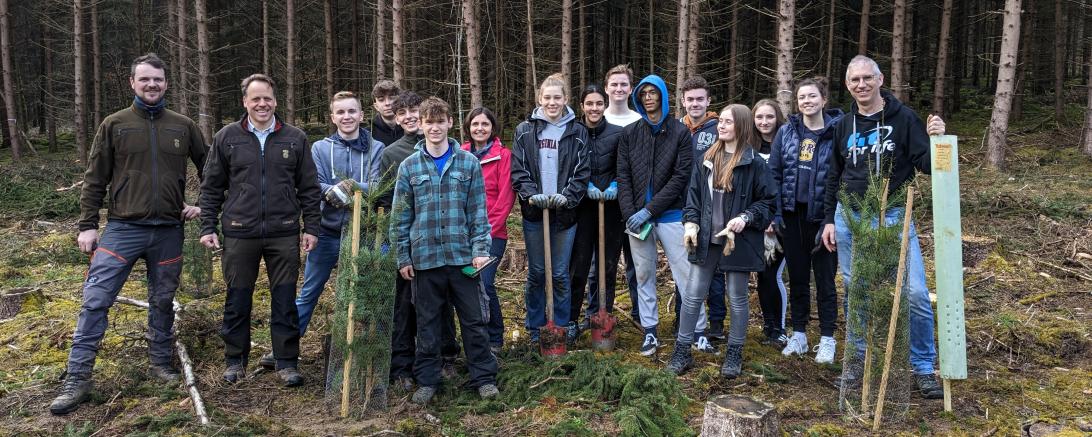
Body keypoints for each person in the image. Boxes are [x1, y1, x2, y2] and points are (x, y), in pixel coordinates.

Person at [50, 54, 207, 415]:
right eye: (145, 79)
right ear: (132, 83)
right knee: (95, 299)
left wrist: (202, 206)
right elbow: (95, 178)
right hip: (122, 229)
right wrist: (88, 225)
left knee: (163, 299)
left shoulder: (182, 126)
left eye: (158, 80)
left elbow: (211, 170)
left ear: (167, 83)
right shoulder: (115, 124)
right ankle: (78, 378)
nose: (152, 85)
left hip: (169, 230)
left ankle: (160, 364)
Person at [821, 55, 947, 399]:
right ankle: (857, 363)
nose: (860, 84)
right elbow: (834, 175)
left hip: (894, 217)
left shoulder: (904, 119)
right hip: (849, 219)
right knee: (857, 292)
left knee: (916, 293)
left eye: (866, 78)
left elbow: (927, 165)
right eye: (854, 80)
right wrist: (828, 220)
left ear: (880, 80)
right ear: (848, 85)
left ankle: (923, 367)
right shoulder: (843, 126)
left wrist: (938, 140)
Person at [199, 74, 321, 387]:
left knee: (284, 299)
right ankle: (234, 361)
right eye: (255, 99)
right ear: (245, 102)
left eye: (267, 98)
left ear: (276, 101)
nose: (262, 104)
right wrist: (208, 225)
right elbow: (212, 186)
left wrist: (312, 227)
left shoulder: (295, 138)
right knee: (238, 298)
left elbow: (308, 187)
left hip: (284, 232)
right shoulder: (227, 137)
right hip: (239, 231)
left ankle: (286, 362)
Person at [391, 96, 499, 404]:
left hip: (462, 258)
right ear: (421, 125)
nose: (435, 127)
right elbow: (401, 216)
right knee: (427, 323)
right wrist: (403, 255)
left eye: (441, 121)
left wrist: (480, 249)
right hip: (425, 260)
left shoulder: (468, 163)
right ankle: (428, 379)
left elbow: (479, 212)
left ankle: (483, 377)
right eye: (429, 122)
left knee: (474, 320)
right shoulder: (409, 167)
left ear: (450, 123)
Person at [668, 104, 775, 378]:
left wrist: (746, 217)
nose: (721, 125)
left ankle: (734, 354)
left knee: (737, 298)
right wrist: (691, 223)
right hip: (706, 238)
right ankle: (682, 352)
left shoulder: (755, 163)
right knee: (692, 295)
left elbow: (768, 202)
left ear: (741, 125)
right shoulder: (707, 157)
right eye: (721, 121)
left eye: (727, 121)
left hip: (736, 241)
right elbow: (693, 196)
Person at [379, 90, 460, 389]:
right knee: (404, 306)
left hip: (442, 245)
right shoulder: (393, 154)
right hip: (410, 246)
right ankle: (402, 365)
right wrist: (398, 245)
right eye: (402, 113)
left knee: (442, 303)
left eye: (414, 110)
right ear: (397, 119)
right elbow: (388, 203)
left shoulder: (446, 147)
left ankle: (446, 357)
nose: (409, 116)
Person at [294, 91, 384, 338]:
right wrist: (334, 190)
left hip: (363, 234)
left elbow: (377, 186)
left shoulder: (376, 148)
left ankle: (362, 345)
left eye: (352, 111)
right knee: (309, 291)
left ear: (362, 115)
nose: (347, 116)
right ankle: (286, 347)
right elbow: (315, 184)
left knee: (364, 293)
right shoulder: (320, 148)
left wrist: (352, 186)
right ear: (333, 117)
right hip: (327, 233)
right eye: (341, 112)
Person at [616, 74, 693, 356]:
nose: (649, 97)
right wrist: (631, 214)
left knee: (685, 274)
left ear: (662, 95)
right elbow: (622, 176)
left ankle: (695, 331)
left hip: (671, 215)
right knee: (644, 275)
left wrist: (650, 209)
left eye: (653, 92)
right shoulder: (630, 133)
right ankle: (650, 331)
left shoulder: (679, 132)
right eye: (644, 93)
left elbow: (680, 177)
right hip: (637, 219)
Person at [511, 73, 590, 345]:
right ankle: (535, 328)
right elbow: (518, 170)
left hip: (564, 215)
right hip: (535, 213)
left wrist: (566, 197)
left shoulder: (577, 131)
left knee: (558, 273)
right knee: (536, 273)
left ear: (565, 99)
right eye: (547, 97)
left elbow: (582, 172)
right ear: (539, 99)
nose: (552, 102)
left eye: (557, 97)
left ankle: (560, 324)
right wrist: (532, 195)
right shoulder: (525, 131)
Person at [768, 78, 843, 364]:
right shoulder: (786, 133)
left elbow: (842, 178)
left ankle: (827, 338)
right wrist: (776, 213)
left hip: (824, 219)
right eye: (802, 97)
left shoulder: (837, 132)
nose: (807, 101)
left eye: (812, 96)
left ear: (824, 99)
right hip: (791, 216)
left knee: (825, 279)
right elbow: (774, 174)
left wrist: (831, 218)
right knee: (797, 278)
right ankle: (798, 334)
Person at [567, 84, 624, 342]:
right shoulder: (573, 132)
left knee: (607, 265)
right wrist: (584, 184)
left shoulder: (617, 133)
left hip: (611, 208)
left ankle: (601, 315)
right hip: (582, 207)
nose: (594, 108)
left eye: (598, 103)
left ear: (605, 105)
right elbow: (567, 165)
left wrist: (616, 185)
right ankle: (570, 320)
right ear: (582, 106)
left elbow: (625, 166)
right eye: (589, 104)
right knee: (578, 266)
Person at [460, 107, 515, 353]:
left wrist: (485, 230)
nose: (480, 128)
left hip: (492, 234)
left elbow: (505, 199)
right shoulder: (458, 154)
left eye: (485, 124)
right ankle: (473, 338)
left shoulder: (504, 156)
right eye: (475, 124)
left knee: (485, 282)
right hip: (461, 233)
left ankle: (495, 338)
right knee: (463, 287)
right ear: (468, 128)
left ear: (493, 128)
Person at [674, 76, 720, 353]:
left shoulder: (718, 128)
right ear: (683, 101)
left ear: (708, 101)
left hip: (711, 206)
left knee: (712, 267)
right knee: (684, 265)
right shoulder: (678, 128)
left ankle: (715, 322)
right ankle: (684, 319)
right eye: (690, 99)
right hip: (680, 206)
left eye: (700, 99)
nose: (695, 104)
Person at [598, 65, 642, 325]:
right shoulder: (598, 117)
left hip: (634, 203)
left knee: (636, 262)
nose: (619, 89)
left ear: (631, 88)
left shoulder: (638, 121)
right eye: (614, 84)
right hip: (605, 203)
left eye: (623, 84)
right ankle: (604, 314)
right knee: (606, 262)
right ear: (606, 88)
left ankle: (639, 314)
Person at [751, 99, 790, 347]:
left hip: (779, 222)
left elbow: (786, 185)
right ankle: (768, 325)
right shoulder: (748, 147)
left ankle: (780, 328)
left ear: (778, 118)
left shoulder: (787, 144)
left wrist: (775, 218)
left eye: (769, 117)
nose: (764, 122)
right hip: (756, 221)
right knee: (761, 276)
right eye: (759, 117)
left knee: (773, 275)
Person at [370, 80, 404, 146]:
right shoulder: (369, 133)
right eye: (381, 100)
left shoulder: (409, 127)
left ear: (399, 101)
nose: (387, 103)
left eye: (391, 98)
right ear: (376, 106)